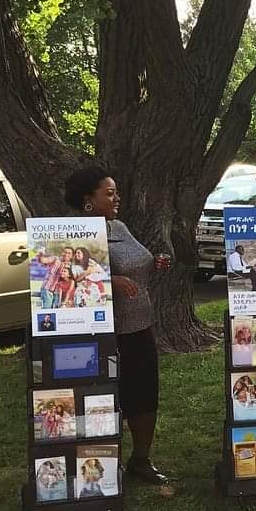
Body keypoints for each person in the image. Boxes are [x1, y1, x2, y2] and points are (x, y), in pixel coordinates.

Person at [64, 166, 171, 484]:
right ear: (87, 200)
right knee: (103, 399)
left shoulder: (118, 226)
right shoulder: (72, 233)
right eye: (109, 193)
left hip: (139, 325)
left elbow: (139, 260)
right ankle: (100, 465)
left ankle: (141, 459)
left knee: (144, 394)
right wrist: (110, 279)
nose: (116, 198)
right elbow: (66, 278)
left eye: (116, 192)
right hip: (100, 332)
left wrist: (156, 262)